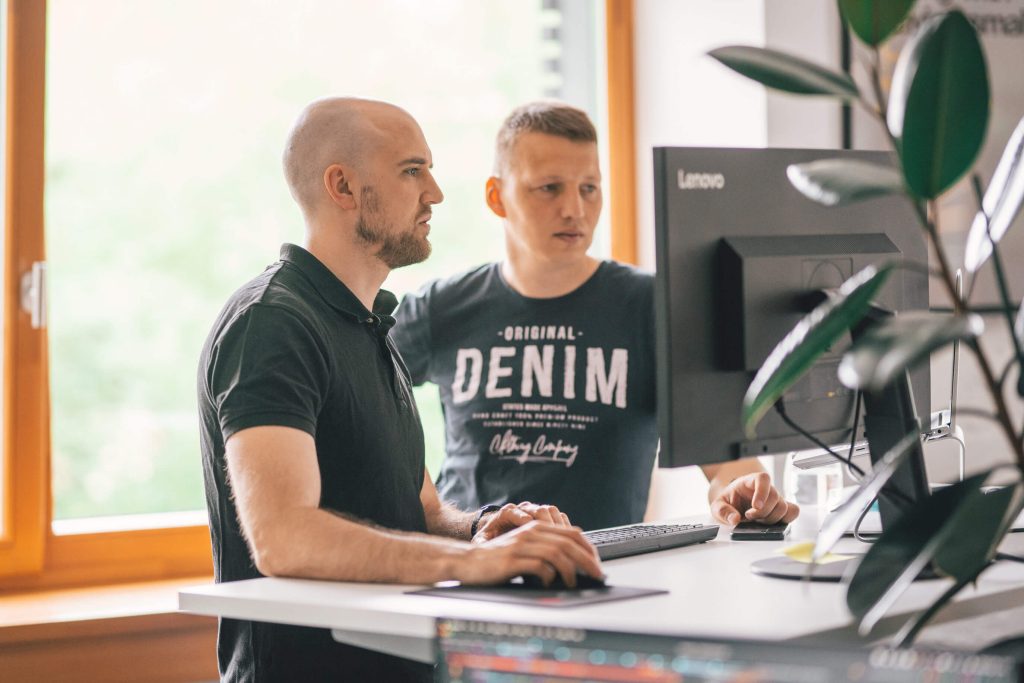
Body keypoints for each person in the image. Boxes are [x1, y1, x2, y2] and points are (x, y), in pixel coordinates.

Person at [197, 97, 603, 683]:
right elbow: (283, 537)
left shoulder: (371, 325)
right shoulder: (272, 324)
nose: (435, 193)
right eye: (413, 171)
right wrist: (473, 562)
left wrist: (485, 527)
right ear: (342, 186)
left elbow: (422, 512)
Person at [392, 101, 799, 532]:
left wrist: (745, 496)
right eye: (549, 187)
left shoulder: (655, 306)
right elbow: (349, 410)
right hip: (470, 569)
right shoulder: (441, 307)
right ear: (497, 197)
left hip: (603, 575)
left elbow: (726, 466)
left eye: (589, 188)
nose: (575, 210)